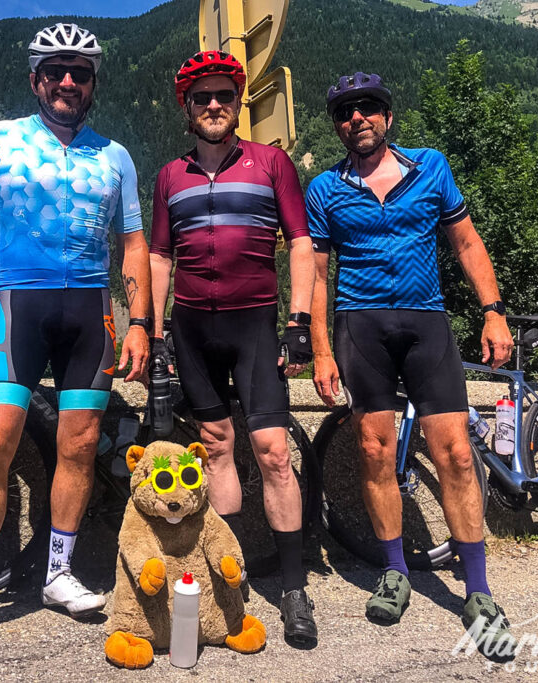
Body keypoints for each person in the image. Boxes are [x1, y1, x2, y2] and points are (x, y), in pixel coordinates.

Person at [0, 23, 151, 653]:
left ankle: (57, 574)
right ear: (35, 79)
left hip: (93, 312)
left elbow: (133, 242)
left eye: (79, 73)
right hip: (15, 309)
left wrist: (139, 321)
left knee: (80, 445)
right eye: (54, 71)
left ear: (91, 85)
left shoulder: (115, 155)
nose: (67, 81)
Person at [307, 72, 516, 655]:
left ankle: (477, 589)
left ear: (388, 117)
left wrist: (492, 311)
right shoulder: (324, 188)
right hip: (360, 325)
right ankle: (395, 570)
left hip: (426, 321)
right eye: (346, 112)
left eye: (369, 108)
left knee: (453, 451)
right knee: (374, 451)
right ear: (338, 125)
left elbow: (467, 243)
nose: (358, 118)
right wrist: (321, 349)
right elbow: (318, 277)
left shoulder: (431, 167)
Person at [149, 50, 318, 645]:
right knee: (217, 447)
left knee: (272, 451)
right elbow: (160, 256)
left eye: (224, 96)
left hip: (254, 326)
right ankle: (233, 577)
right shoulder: (170, 174)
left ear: (237, 104)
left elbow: (300, 242)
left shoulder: (271, 163)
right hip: (192, 329)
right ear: (188, 109)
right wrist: (155, 330)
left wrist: (298, 322)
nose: (214, 106)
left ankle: (294, 587)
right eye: (203, 98)